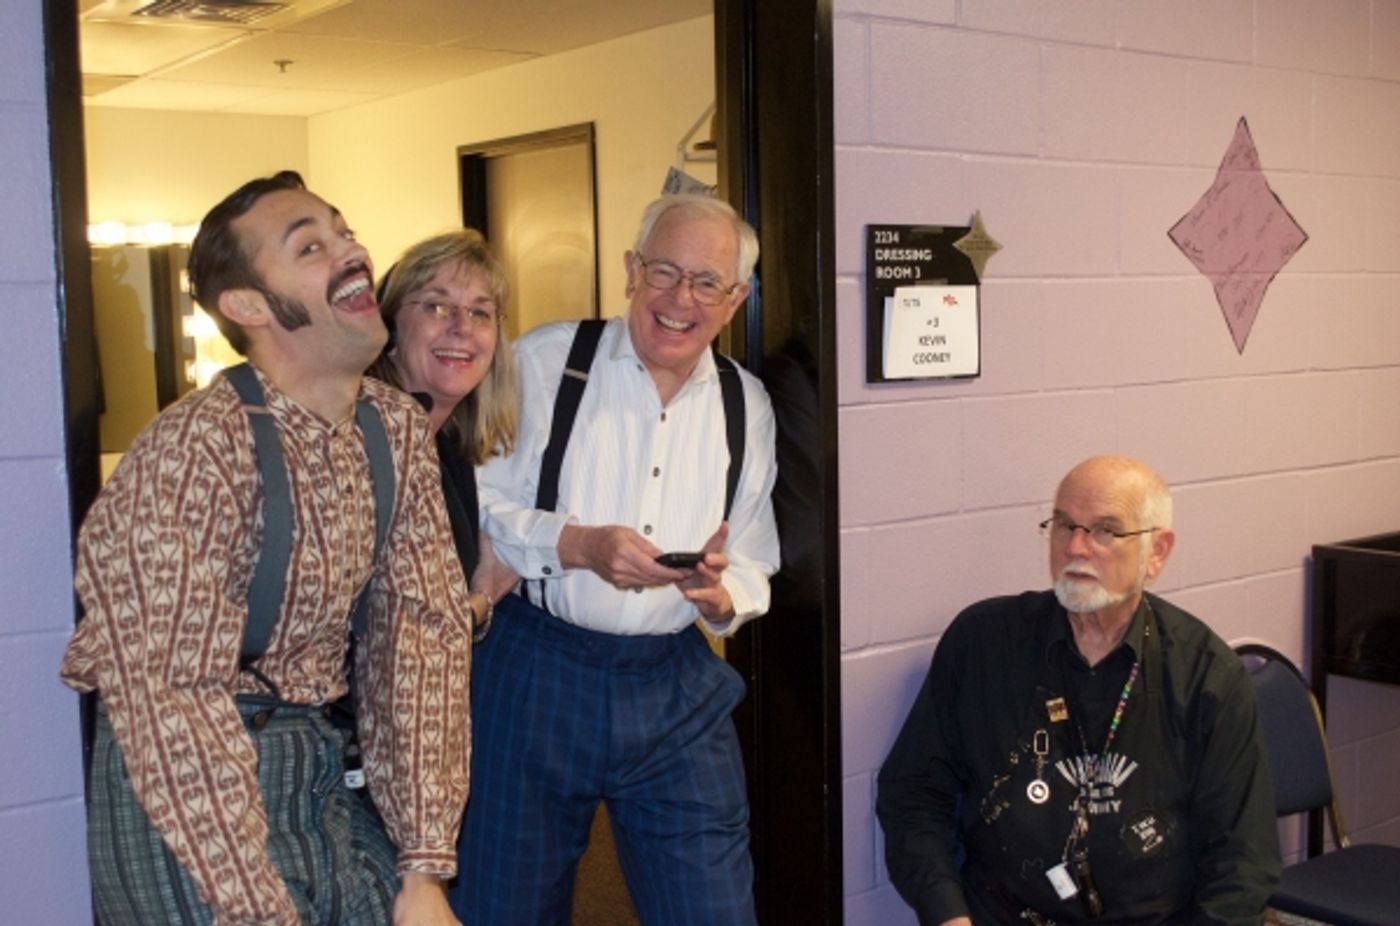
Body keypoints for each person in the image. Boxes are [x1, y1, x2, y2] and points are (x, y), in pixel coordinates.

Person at [60, 171, 473, 926]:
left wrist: (422, 866)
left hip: (320, 763)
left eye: (343, 231)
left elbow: (421, 644)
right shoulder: (194, 451)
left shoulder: (395, 429)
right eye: (310, 245)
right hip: (188, 782)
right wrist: (248, 902)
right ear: (248, 307)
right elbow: (170, 698)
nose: (350, 250)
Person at [451, 193, 781, 926]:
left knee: (715, 908)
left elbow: (756, 554)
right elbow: (474, 502)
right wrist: (578, 545)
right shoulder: (544, 360)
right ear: (631, 270)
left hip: (676, 683)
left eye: (706, 283)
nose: (680, 299)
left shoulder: (744, 403)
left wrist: (725, 598)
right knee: (504, 904)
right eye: (664, 271)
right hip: (537, 669)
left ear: (737, 300)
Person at [877, 455, 1281, 925]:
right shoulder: (982, 644)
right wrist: (948, 914)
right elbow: (913, 793)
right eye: (1064, 525)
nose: (1076, 547)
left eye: (1106, 530)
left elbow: (1243, 862)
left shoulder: (1206, 675)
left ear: (1158, 551)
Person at [367, 228, 519, 636]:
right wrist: (482, 602)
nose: (462, 328)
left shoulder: (447, 446)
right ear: (391, 327)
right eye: (436, 307)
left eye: (480, 312)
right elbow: (384, 638)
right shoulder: (365, 444)